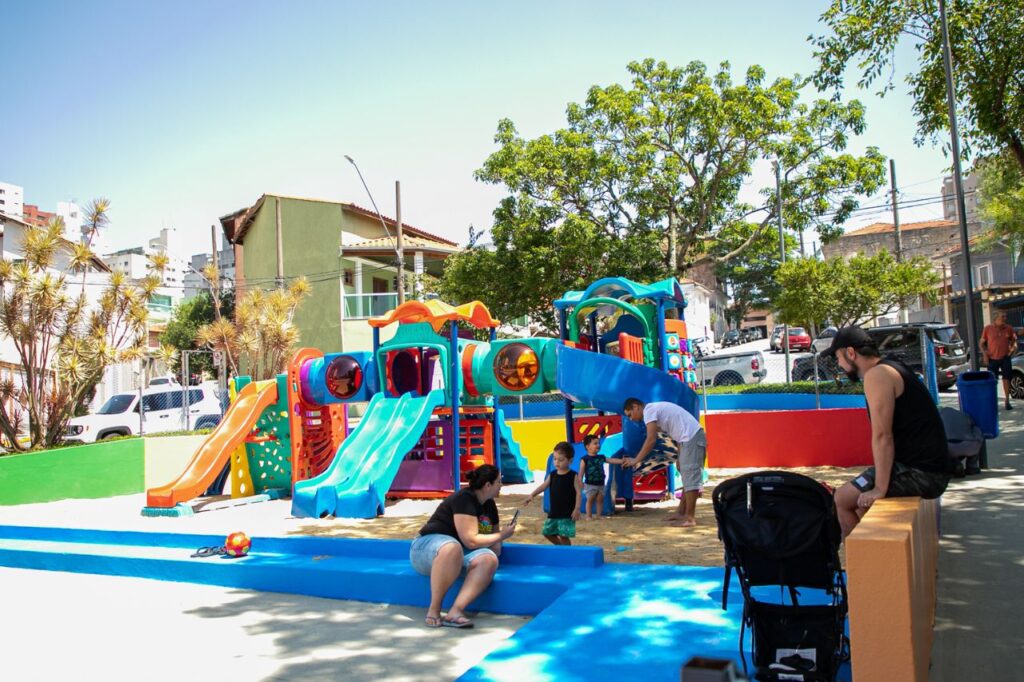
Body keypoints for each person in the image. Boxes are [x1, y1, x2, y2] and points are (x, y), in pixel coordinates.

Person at [825, 327, 953, 538]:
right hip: (926, 466)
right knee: (858, 503)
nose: (838, 365)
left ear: (850, 353)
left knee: (840, 500)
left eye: (838, 357)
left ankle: (863, 568)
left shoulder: (877, 375)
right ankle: (874, 562)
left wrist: (880, 488)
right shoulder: (891, 366)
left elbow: (883, 436)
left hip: (923, 472)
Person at [409, 464, 517, 628]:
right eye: (498, 482)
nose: (501, 485)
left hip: (456, 555)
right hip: (426, 549)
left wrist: (498, 537)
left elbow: (495, 548)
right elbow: (471, 541)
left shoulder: (490, 505)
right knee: (452, 547)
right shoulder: (464, 498)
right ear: (488, 485)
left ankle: (455, 611)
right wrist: (502, 535)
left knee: (489, 559)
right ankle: (434, 609)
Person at [621, 398, 706, 528]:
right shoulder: (655, 410)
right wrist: (679, 456)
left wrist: (636, 460)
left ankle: (690, 518)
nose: (631, 419)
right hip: (686, 440)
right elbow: (678, 431)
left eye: (630, 414)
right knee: (686, 478)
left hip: (691, 439)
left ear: (636, 407)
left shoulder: (649, 411)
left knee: (690, 479)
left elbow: (651, 440)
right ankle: (681, 512)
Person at [523, 441, 582, 544]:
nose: (556, 462)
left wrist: (577, 509)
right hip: (554, 512)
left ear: (570, 461)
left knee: (564, 535)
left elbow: (578, 493)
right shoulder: (553, 474)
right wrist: (532, 495)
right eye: (554, 459)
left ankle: (567, 552)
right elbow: (543, 486)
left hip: (567, 513)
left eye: (560, 460)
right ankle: (560, 547)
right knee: (547, 532)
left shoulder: (573, 476)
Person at [578, 434, 622, 520]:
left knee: (600, 500)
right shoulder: (585, 459)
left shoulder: (601, 457)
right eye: (595, 443)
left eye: (598, 443)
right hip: (590, 483)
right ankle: (588, 516)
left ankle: (598, 515)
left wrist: (621, 461)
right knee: (590, 500)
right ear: (588, 446)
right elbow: (581, 473)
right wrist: (580, 482)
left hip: (601, 483)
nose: (598, 445)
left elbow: (611, 460)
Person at [980, 310, 1018, 410]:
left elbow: (1014, 342)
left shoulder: (1009, 328)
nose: (1005, 318)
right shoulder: (988, 329)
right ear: (996, 318)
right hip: (992, 358)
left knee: (1006, 379)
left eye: (1005, 316)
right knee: (992, 381)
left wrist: (1012, 350)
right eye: (1003, 317)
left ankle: (1007, 401)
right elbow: (981, 343)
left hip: (1005, 357)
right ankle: (993, 401)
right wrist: (984, 354)